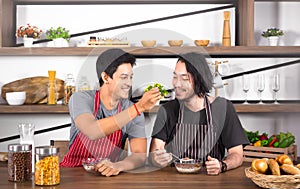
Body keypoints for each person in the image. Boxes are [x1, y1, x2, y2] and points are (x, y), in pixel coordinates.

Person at [60, 48, 161, 176]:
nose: (129, 83)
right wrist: (138, 107)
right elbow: (93, 131)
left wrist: (118, 165)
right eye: (123, 77)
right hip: (72, 175)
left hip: (107, 177)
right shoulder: (80, 99)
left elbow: (139, 156)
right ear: (106, 77)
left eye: (131, 77)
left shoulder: (131, 109)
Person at [149, 52, 249, 175]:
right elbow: (154, 152)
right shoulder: (167, 110)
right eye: (175, 77)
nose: (176, 84)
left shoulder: (223, 108)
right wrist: (157, 158)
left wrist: (222, 165)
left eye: (184, 78)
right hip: (175, 183)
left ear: (200, 79)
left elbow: (237, 154)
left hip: (211, 184)